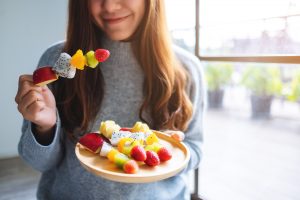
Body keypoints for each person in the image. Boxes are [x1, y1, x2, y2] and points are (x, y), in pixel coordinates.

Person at [15, 0, 205, 199]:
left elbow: (195, 149)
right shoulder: (56, 58)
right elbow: (37, 163)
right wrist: (44, 127)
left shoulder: (187, 69)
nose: (110, 6)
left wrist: (172, 152)